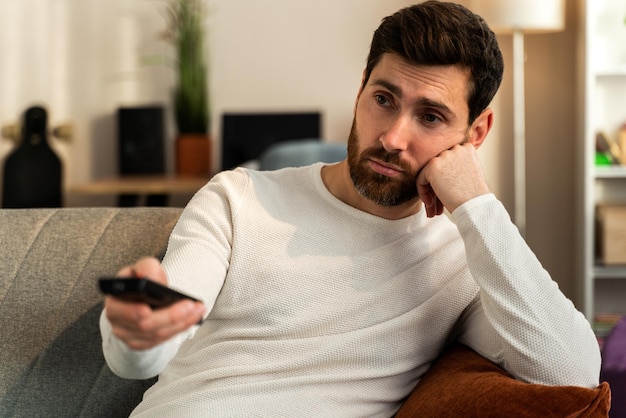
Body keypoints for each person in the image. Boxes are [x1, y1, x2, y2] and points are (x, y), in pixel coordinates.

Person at [100, 1, 601, 416]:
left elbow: (573, 373)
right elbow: (145, 355)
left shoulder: (466, 260)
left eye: (430, 116)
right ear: (361, 86)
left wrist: (477, 205)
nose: (392, 137)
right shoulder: (239, 197)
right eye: (384, 98)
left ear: (475, 135)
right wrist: (135, 329)